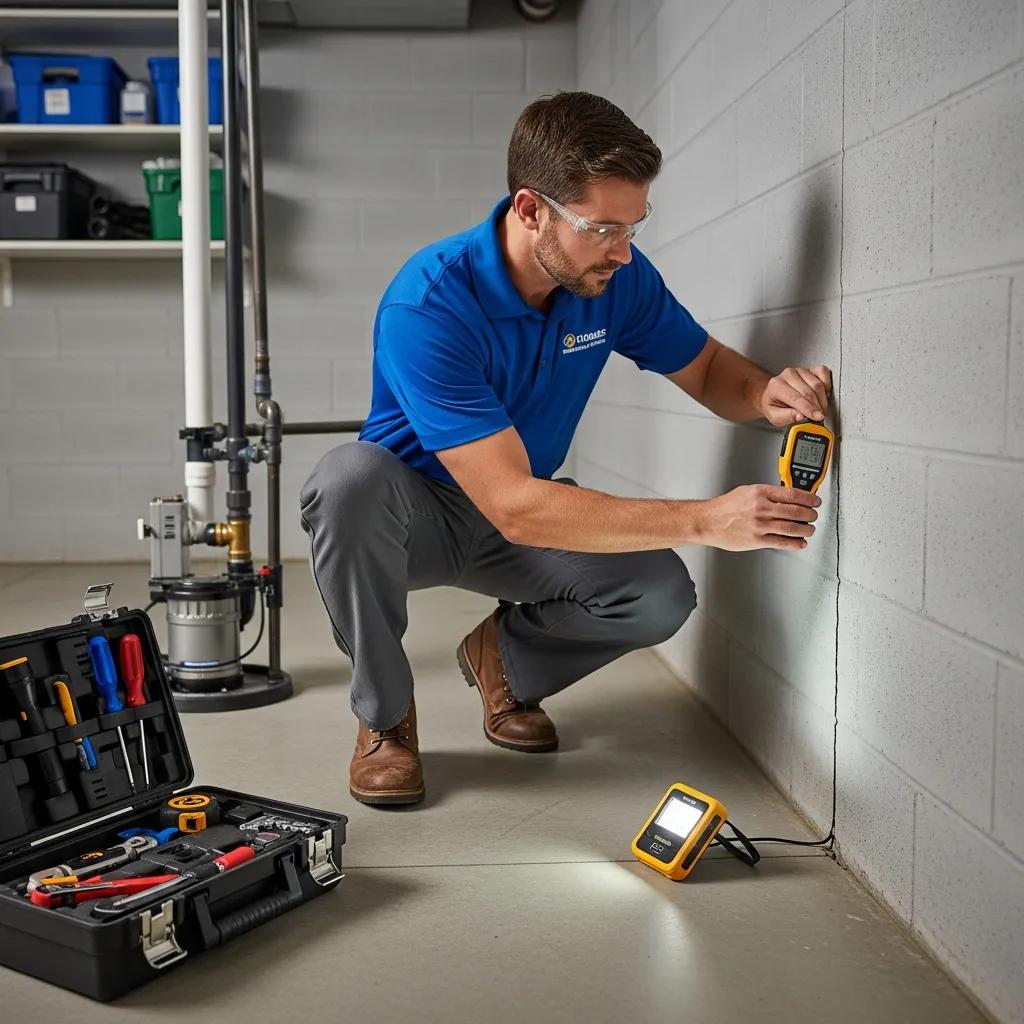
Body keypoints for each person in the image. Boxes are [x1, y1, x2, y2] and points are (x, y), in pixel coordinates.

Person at [300, 91, 831, 807]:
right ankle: (385, 718)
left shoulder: (614, 279)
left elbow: (707, 370)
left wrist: (767, 393)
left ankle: (506, 661)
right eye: (603, 228)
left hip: (519, 511)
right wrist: (708, 519)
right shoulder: (428, 305)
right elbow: (515, 506)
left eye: (634, 226)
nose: (623, 250)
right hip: (412, 518)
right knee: (346, 479)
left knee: (660, 594)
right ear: (530, 209)